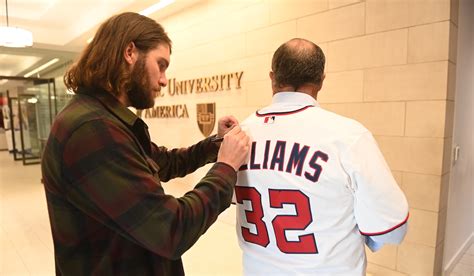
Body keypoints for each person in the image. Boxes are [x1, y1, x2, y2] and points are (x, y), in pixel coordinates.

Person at [41, 12, 250, 275]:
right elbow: (172, 229)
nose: (163, 80)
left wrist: (215, 145)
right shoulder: (92, 130)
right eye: (160, 65)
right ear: (130, 52)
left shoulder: (105, 119)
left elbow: (165, 162)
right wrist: (226, 169)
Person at [235, 38, 409, 275]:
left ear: (272, 77)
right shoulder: (349, 135)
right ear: (321, 80)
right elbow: (391, 226)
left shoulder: (238, 136)